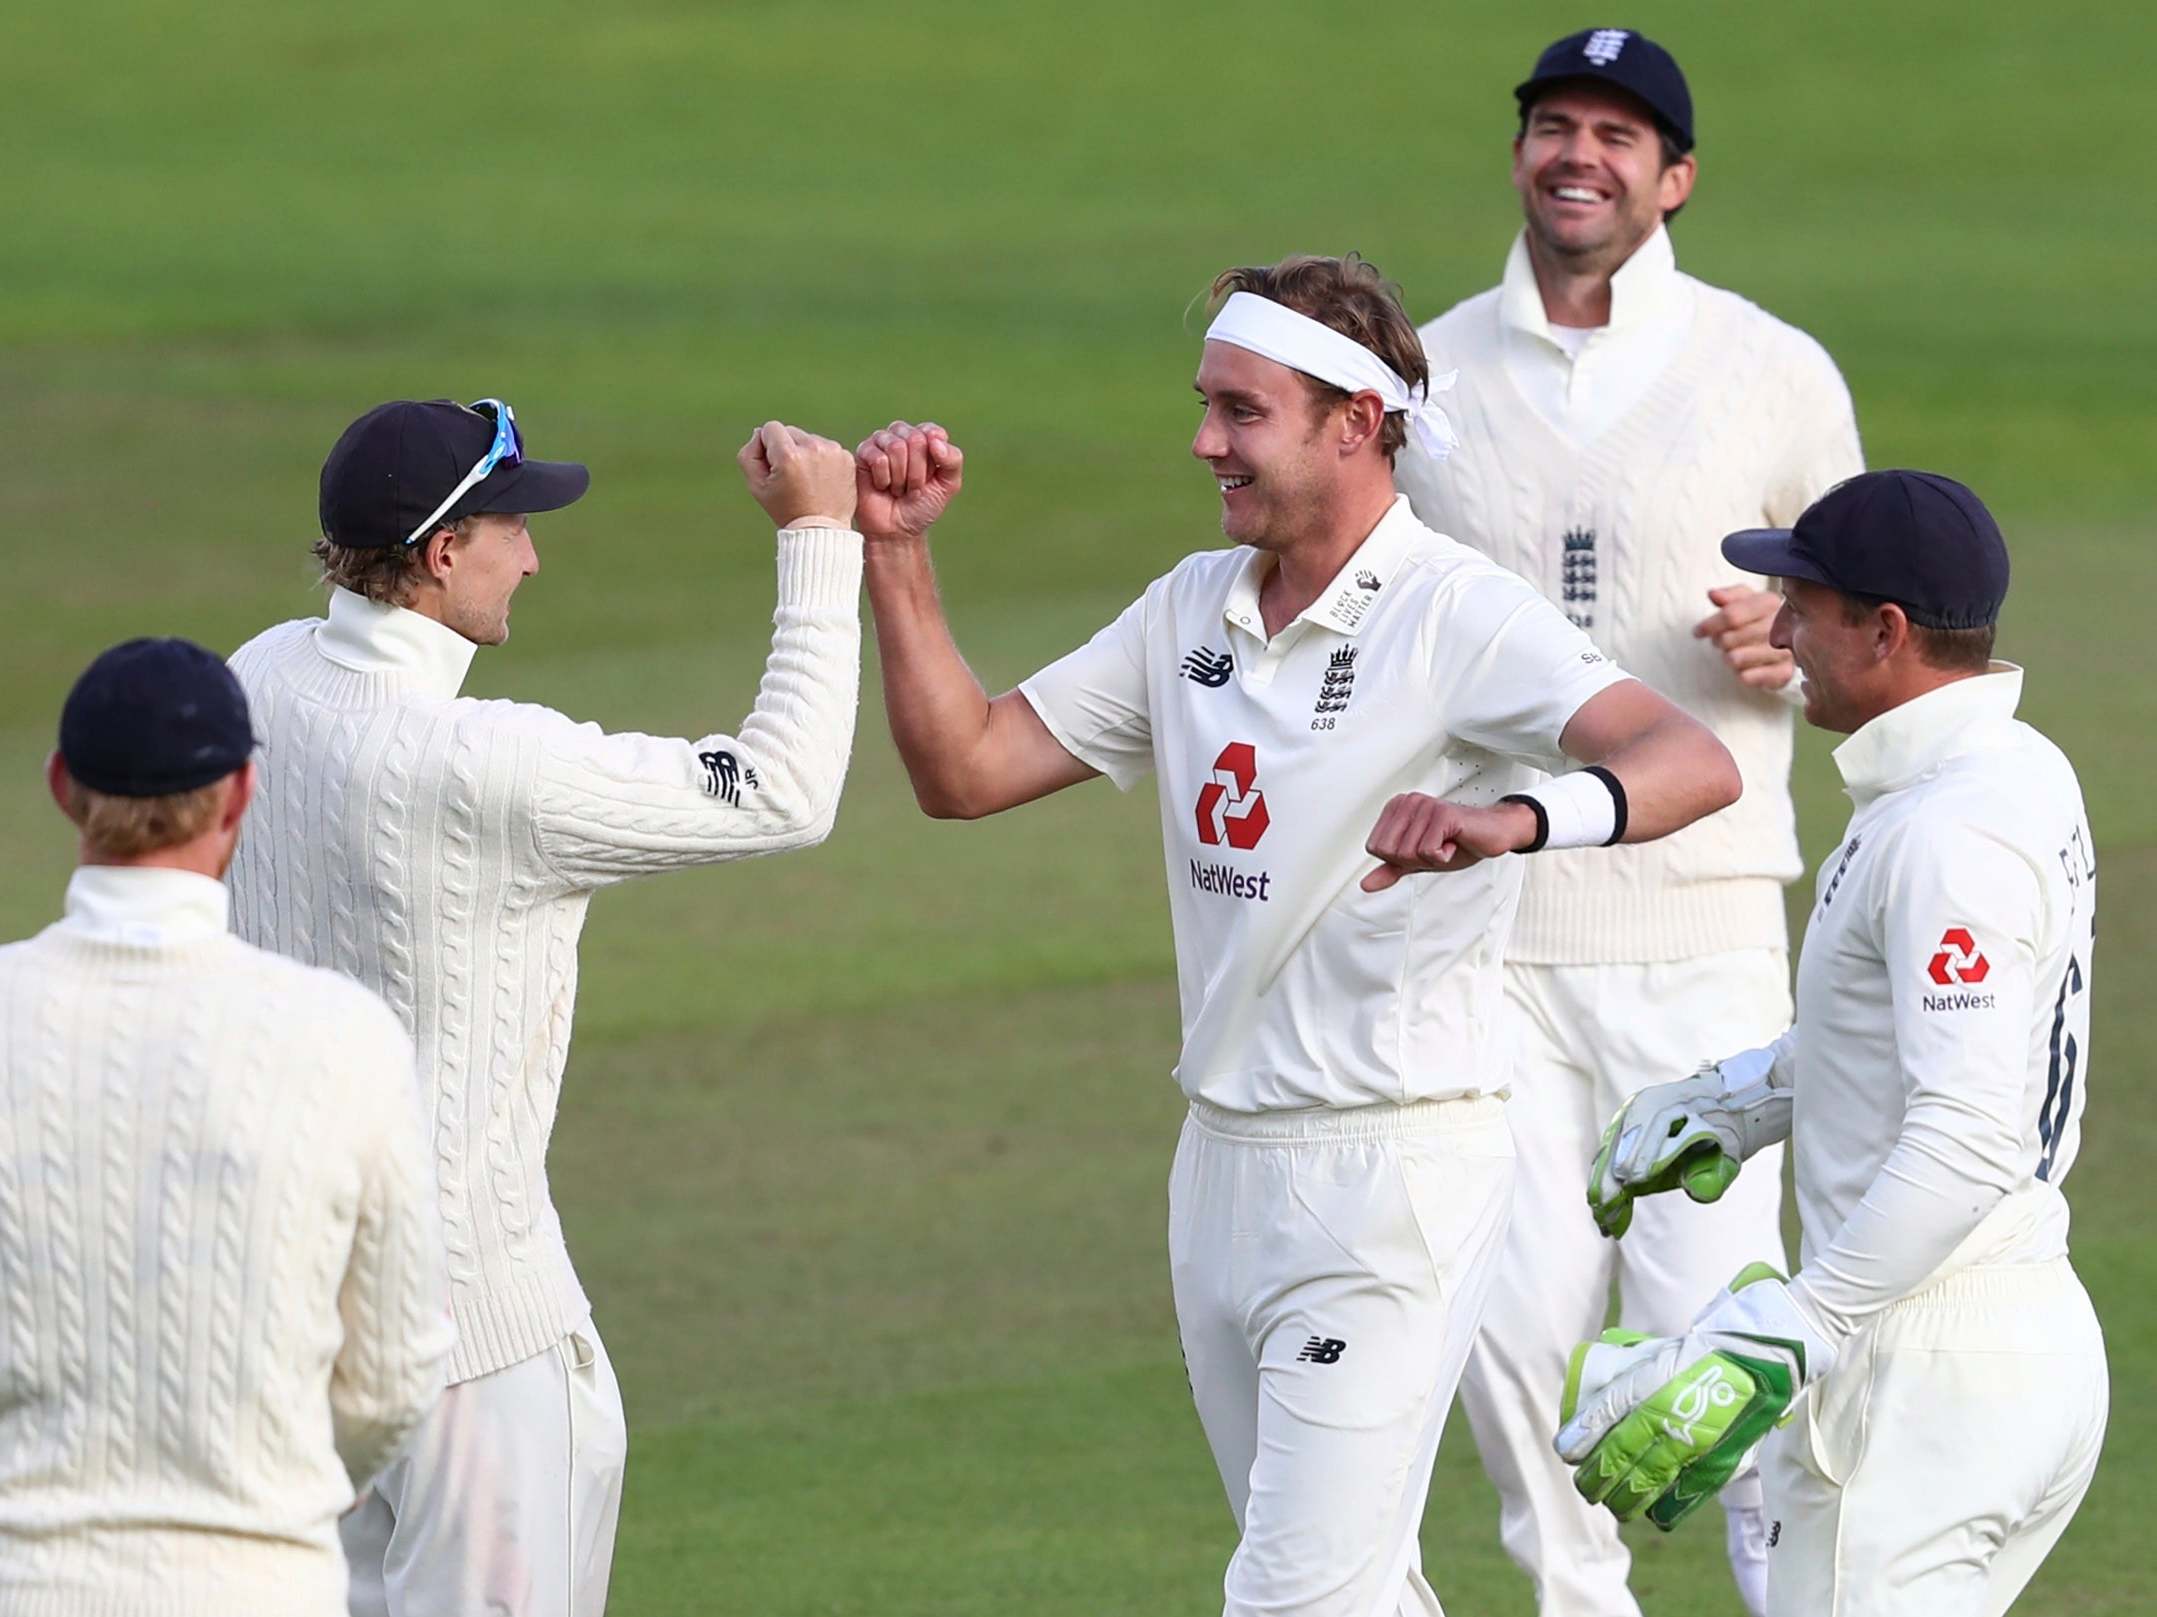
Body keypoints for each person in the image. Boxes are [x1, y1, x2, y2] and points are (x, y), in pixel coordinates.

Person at [852, 253, 1740, 1617]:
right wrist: (898, 557)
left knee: (1291, 1596)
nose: (1203, 440)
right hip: (1219, 1163)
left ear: (1354, 422)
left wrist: (1514, 817)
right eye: (1205, 403)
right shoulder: (1186, 609)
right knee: (1353, 1586)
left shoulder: (1458, 611)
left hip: (1390, 1167)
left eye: (1238, 410)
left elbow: (1687, 758)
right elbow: (962, 770)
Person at [226, 399, 867, 1616]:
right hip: (481, 1345)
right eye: (511, 527)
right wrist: (822, 536)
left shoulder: (259, 676)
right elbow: (786, 793)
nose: (534, 553)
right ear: (440, 552)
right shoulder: (487, 764)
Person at [1391, 28, 1864, 1615]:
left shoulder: (1772, 370)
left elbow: (1861, 639)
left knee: (1720, 1332)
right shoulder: (1425, 377)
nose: (1574, 154)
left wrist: (1780, 655)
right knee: (1515, 1332)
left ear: (1675, 178)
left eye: (1613, 132)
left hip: (1704, 925)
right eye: (1549, 125)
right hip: (1497, 934)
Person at [1557, 470, 2107, 1617]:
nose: (1783, 630)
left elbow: (1966, 1136)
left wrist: (1790, 1329)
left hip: (1920, 1378)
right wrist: (1743, 1098)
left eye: (1804, 605)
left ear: (1887, 630)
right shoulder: (2013, 769)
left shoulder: (1947, 833)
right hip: (2015, 1346)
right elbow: (1920, 1042)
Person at [0, 639, 450, 1616]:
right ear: (241, 794)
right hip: (265, 1580)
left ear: (62, 788)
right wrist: (275, 1486)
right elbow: (394, 1377)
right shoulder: (342, 1037)